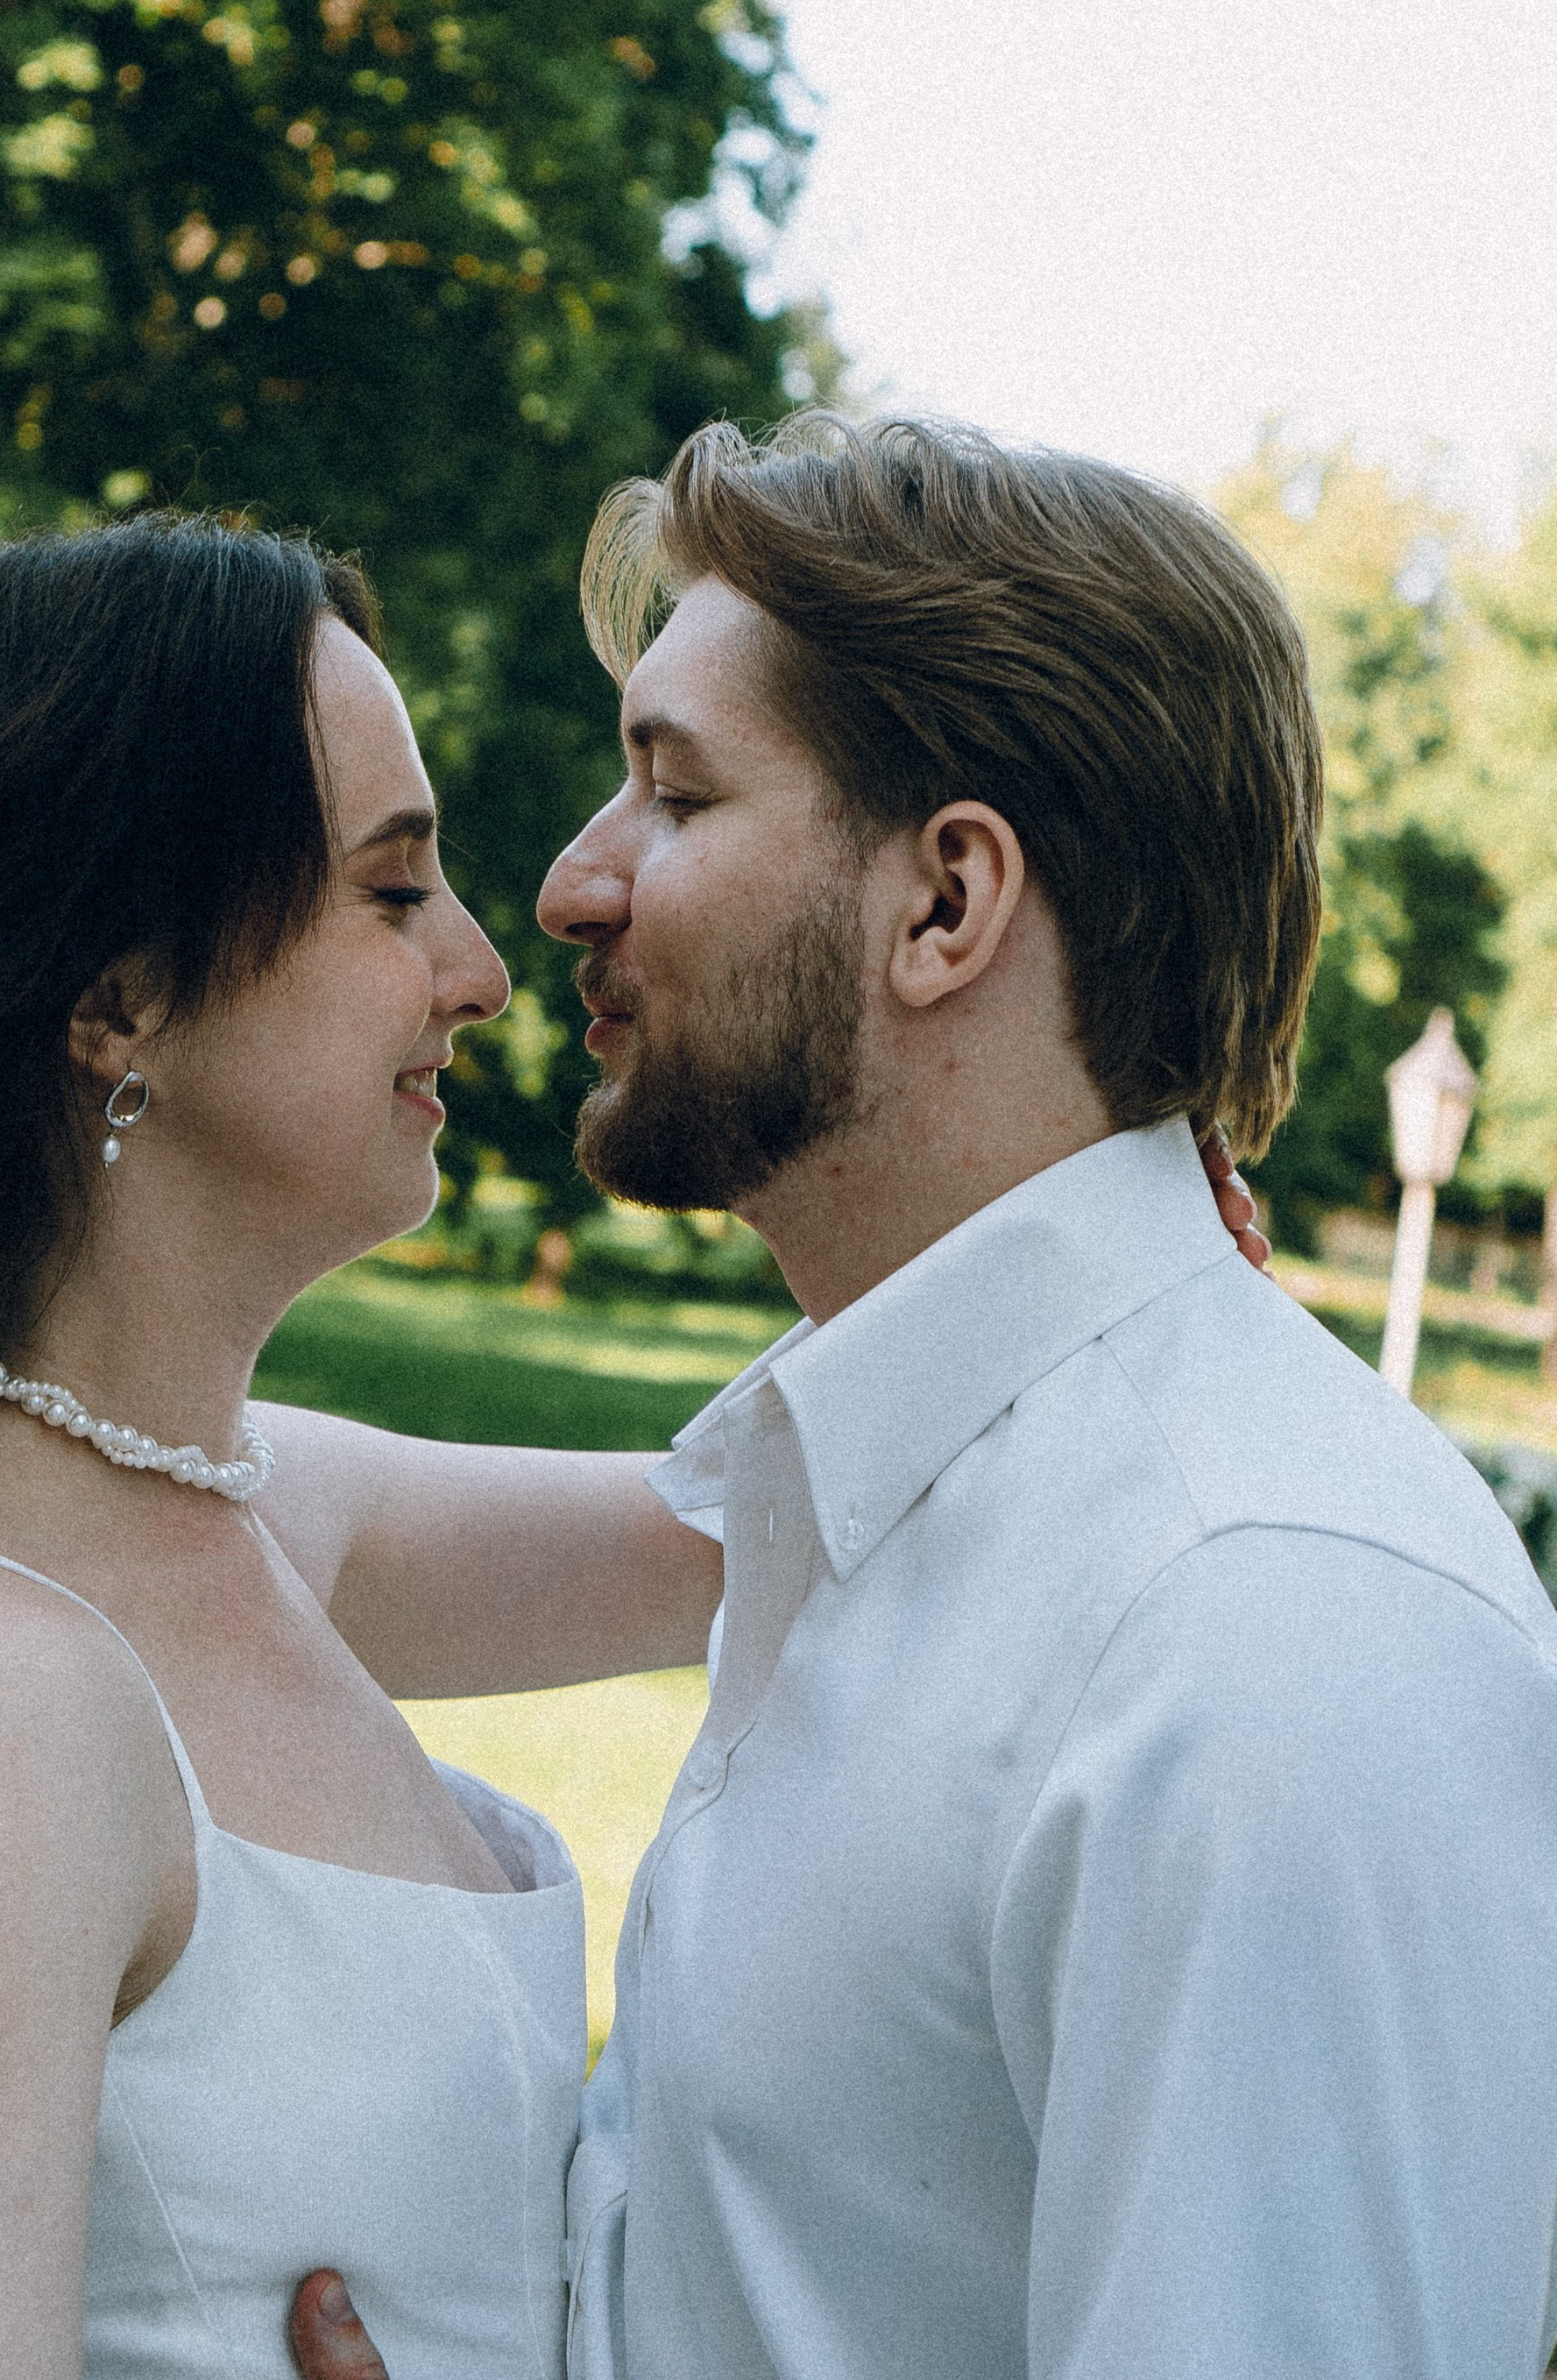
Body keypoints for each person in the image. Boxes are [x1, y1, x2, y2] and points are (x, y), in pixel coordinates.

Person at [290, 415, 1557, 2380]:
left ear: (945, 904)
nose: (563, 887)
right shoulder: (870, 1487)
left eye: (674, 794)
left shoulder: (1262, 1633)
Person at [0, 514, 724, 2380]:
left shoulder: (256, 1504)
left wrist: (1073, 1211)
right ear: (115, 1002)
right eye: (392, 892)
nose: (480, 972)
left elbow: (761, 1525)